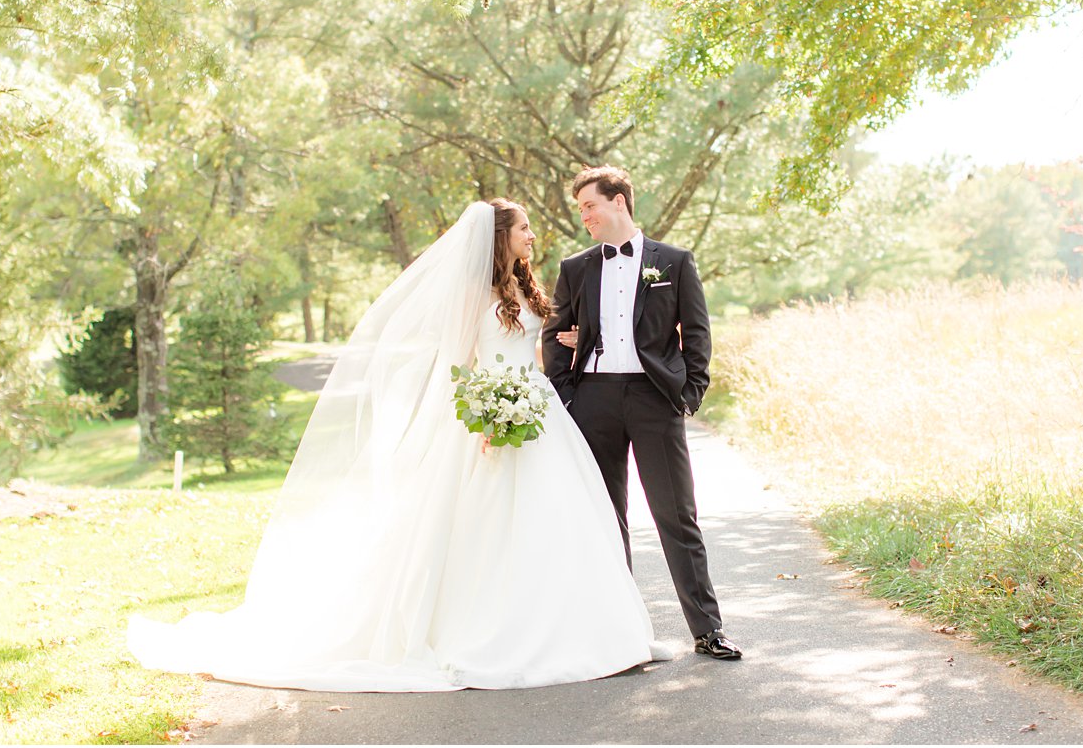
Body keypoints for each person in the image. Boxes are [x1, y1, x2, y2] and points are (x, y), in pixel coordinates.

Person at [128, 199, 666, 691]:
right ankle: (495, 632)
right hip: (493, 419)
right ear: (499, 237)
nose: (532, 234)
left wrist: (565, 343)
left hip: (539, 414)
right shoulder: (471, 293)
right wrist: (484, 414)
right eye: (524, 227)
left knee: (560, 521)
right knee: (488, 526)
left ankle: (585, 632)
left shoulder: (526, 286)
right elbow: (456, 365)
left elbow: (535, 341)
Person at [542, 166, 742, 661]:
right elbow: (554, 334)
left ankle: (707, 629)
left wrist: (689, 394)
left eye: (590, 205)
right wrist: (569, 395)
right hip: (594, 400)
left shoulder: (673, 262)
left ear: (619, 202)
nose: (584, 215)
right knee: (607, 518)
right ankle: (619, 631)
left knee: (677, 515)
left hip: (656, 400)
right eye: (581, 208)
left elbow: (696, 334)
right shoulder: (576, 267)